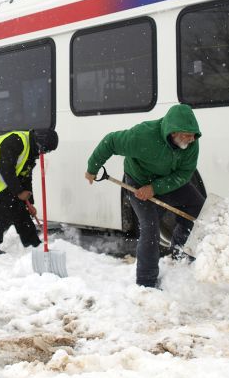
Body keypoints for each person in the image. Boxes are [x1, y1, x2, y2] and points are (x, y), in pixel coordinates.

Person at [84, 104, 205, 288]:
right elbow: (110, 141)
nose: (191, 139)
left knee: (197, 206)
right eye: (186, 135)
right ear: (173, 132)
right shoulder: (142, 136)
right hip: (138, 182)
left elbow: (184, 174)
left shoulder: (191, 145)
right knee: (150, 228)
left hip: (166, 181)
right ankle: (146, 283)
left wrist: (155, 188)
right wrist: (92, 168)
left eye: (193, 135)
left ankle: (180, 253)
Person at [0, 128, 59, 254]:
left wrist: (29, 202)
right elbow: (6, 167)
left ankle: (32, 244)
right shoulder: (16, 141)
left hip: (3, 177)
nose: (44, 153)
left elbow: (25, 177)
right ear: (40, 143)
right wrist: (19, 192)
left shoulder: (31, 152)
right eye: (46, 150)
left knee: (19, 207)